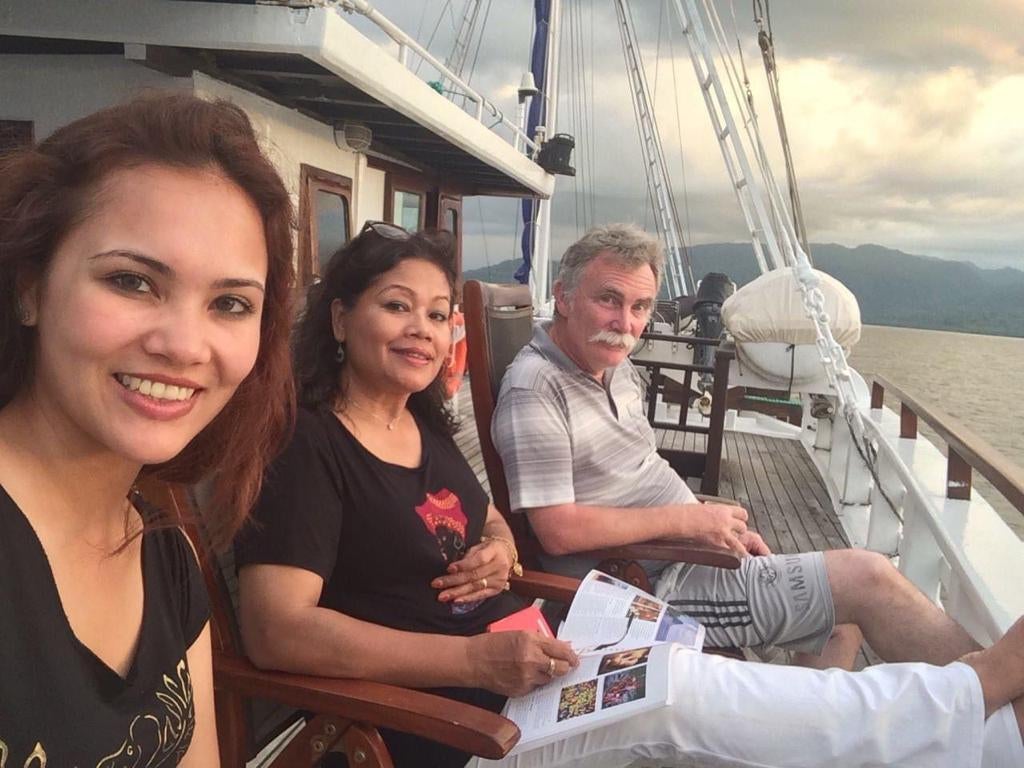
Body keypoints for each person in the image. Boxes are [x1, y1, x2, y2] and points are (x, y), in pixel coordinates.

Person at [235, 221, 1024, 768]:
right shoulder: (309, 448)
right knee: (683, 691)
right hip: (464, 723)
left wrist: (500, 548)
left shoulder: (421, 427)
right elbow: (276, 633)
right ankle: (977, 694)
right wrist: (475, 655)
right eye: (395, 307)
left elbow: (498, 523)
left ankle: (988, 738)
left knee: (692, 679)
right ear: (340, 318)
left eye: (438, 315)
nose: (423, 330)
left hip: (533, 662)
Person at [491, 223, 980, 671]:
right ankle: (997, 694)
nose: (625, 323)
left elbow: (641, 473)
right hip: (637, 584)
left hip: (683, 551)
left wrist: (705, 522)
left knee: (838, 610)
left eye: (640, 307)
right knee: (865, 581)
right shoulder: (538, 388)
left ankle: (803, 730)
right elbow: (557, 530)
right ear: (563, 296)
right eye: (609, 300)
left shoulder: (613, 369)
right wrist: (692, 521)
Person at [0, 92, 296, 767]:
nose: (186, 345)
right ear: (29, 287)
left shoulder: (166, 556)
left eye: (229, 303)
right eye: (133, 282)